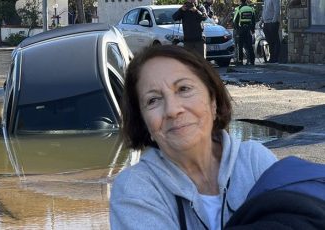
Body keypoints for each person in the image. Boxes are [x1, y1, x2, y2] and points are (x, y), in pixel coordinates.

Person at [109, 45, 278, 230]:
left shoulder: (255, 162)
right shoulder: (134, 190)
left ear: (213, 101)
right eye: (153, 100)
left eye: (183, 89)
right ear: (144, 123)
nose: (172, 110)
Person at [233, 0, 256, 65]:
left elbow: (235, 20)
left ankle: (240, 61)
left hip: (241, 29)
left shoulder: (238, 8)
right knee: (250, 45)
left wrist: (237, 30)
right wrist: (252, 29)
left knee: (240, 46)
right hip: (248, 29)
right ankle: (252, 60)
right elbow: (253, 20)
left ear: (240, 1)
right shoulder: (251, 8)